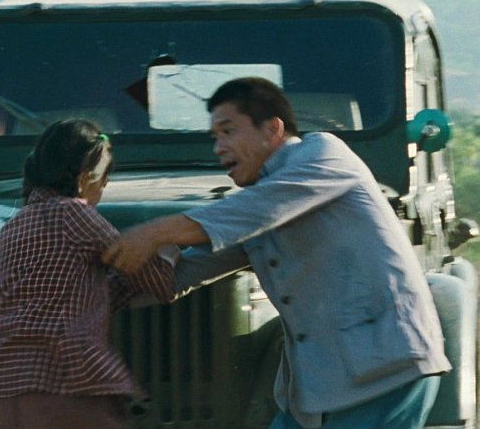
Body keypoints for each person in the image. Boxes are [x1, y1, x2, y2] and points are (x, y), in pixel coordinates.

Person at [103, 77, 451, 429]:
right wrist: (92, 291)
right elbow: (184, 273)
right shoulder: (259, 206)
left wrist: (153, 232)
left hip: (385, 373)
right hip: (319, 392)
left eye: (228, 132)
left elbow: (253, 210)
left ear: (272, 129)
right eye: (214, 137)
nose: (218, 148)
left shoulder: (323, 154)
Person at [0, 119, 177, 429]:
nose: (105, 186)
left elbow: (65, 294)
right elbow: (157, 282)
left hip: (0, 388)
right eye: (105, 176)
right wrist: (166, 248)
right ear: (85, 177)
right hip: (66, 380)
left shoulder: (11, 228)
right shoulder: (76, 214)